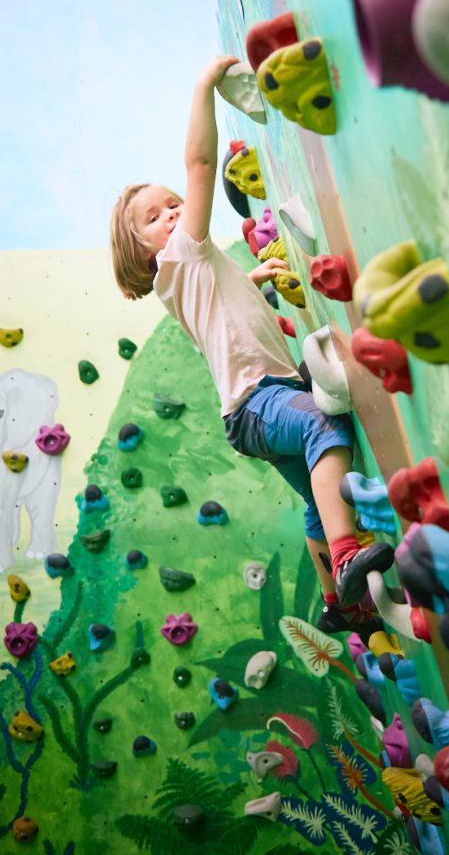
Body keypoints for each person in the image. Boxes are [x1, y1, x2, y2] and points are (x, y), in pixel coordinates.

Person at [110, 55, 394, 631]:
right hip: (259, 405)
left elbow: (224, 325)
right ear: (144, 252)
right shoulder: (180, 256)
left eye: (172, 204)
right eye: (155, 216)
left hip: (256, 407)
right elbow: (200, 163)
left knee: (320, 498)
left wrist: (256, 283)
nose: (173, 211)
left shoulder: (194, 272)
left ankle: (340, 605)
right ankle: (345, 558)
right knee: (322, 424)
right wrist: (203, 88)